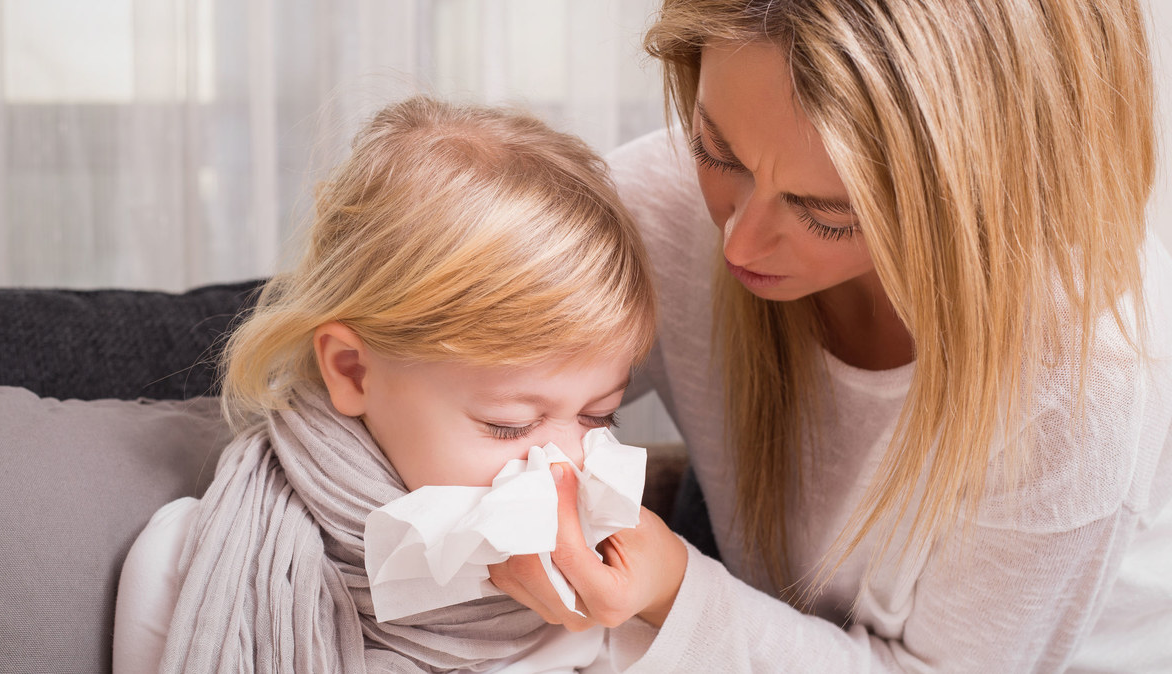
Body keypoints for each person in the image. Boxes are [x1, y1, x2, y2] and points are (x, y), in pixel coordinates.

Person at [488, 1, 1172, 670]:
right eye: (717, 152)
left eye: (827, 212)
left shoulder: (1085, 378)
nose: (739, 239)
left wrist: (676, 591)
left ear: (979, 194)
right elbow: (426, 385)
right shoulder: (659, 205)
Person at [112, 95, 658, 673]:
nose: (565, 468)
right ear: (351, 370)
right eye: (510, 425)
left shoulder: (609, 581)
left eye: (599, 416)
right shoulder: (191, 563)